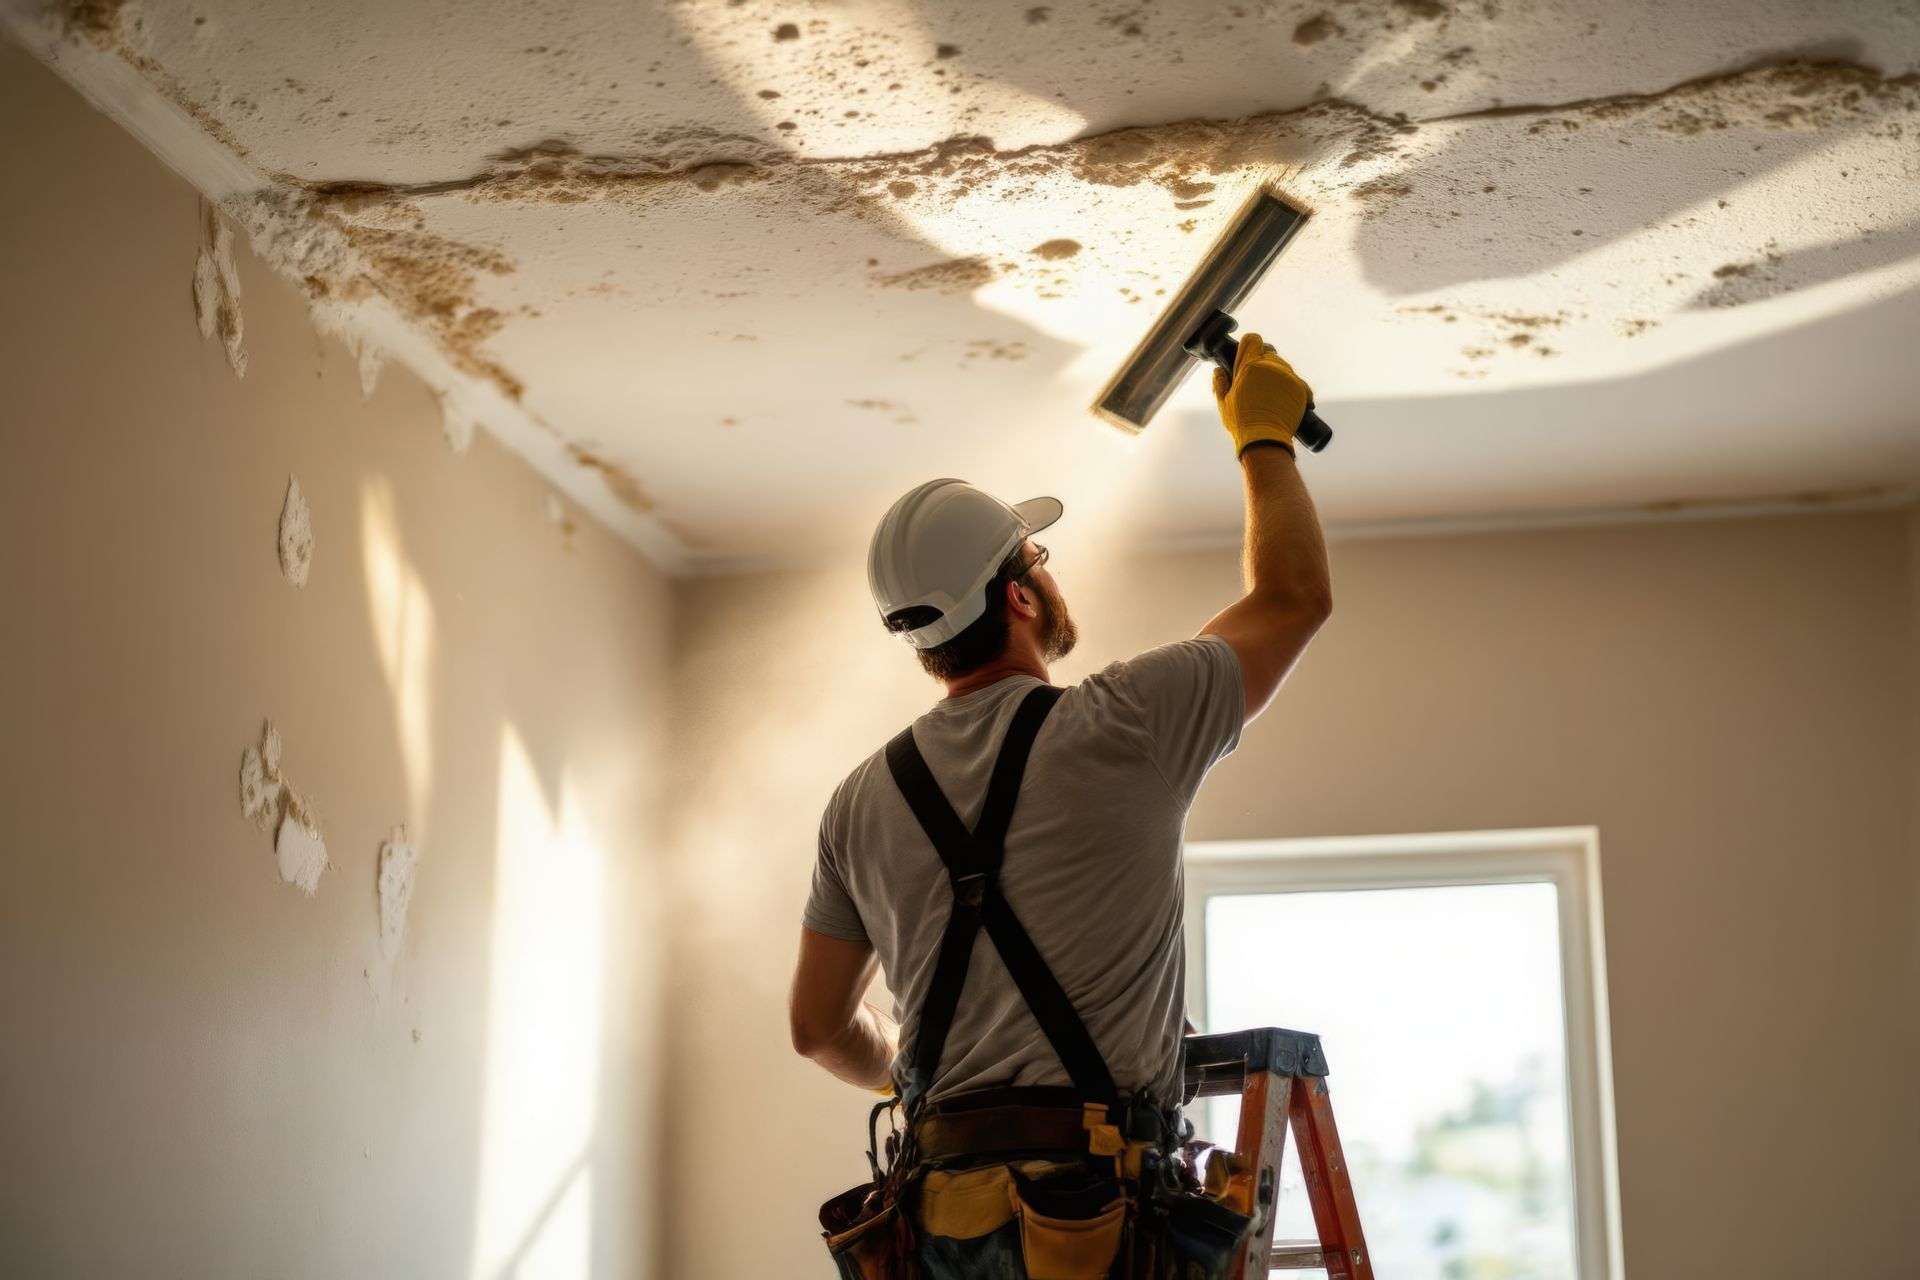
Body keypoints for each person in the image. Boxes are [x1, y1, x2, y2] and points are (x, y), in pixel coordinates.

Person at [796, 334, 1332, 1278]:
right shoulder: (1125, 721)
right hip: (1093, 1218)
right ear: (1020, 596)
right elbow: (1290, 599)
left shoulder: (858, 803)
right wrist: (1264, 439)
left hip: (940, 1220)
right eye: (1039, 557)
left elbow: (817, 1029)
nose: (1048, 571)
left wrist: (935, 1072)